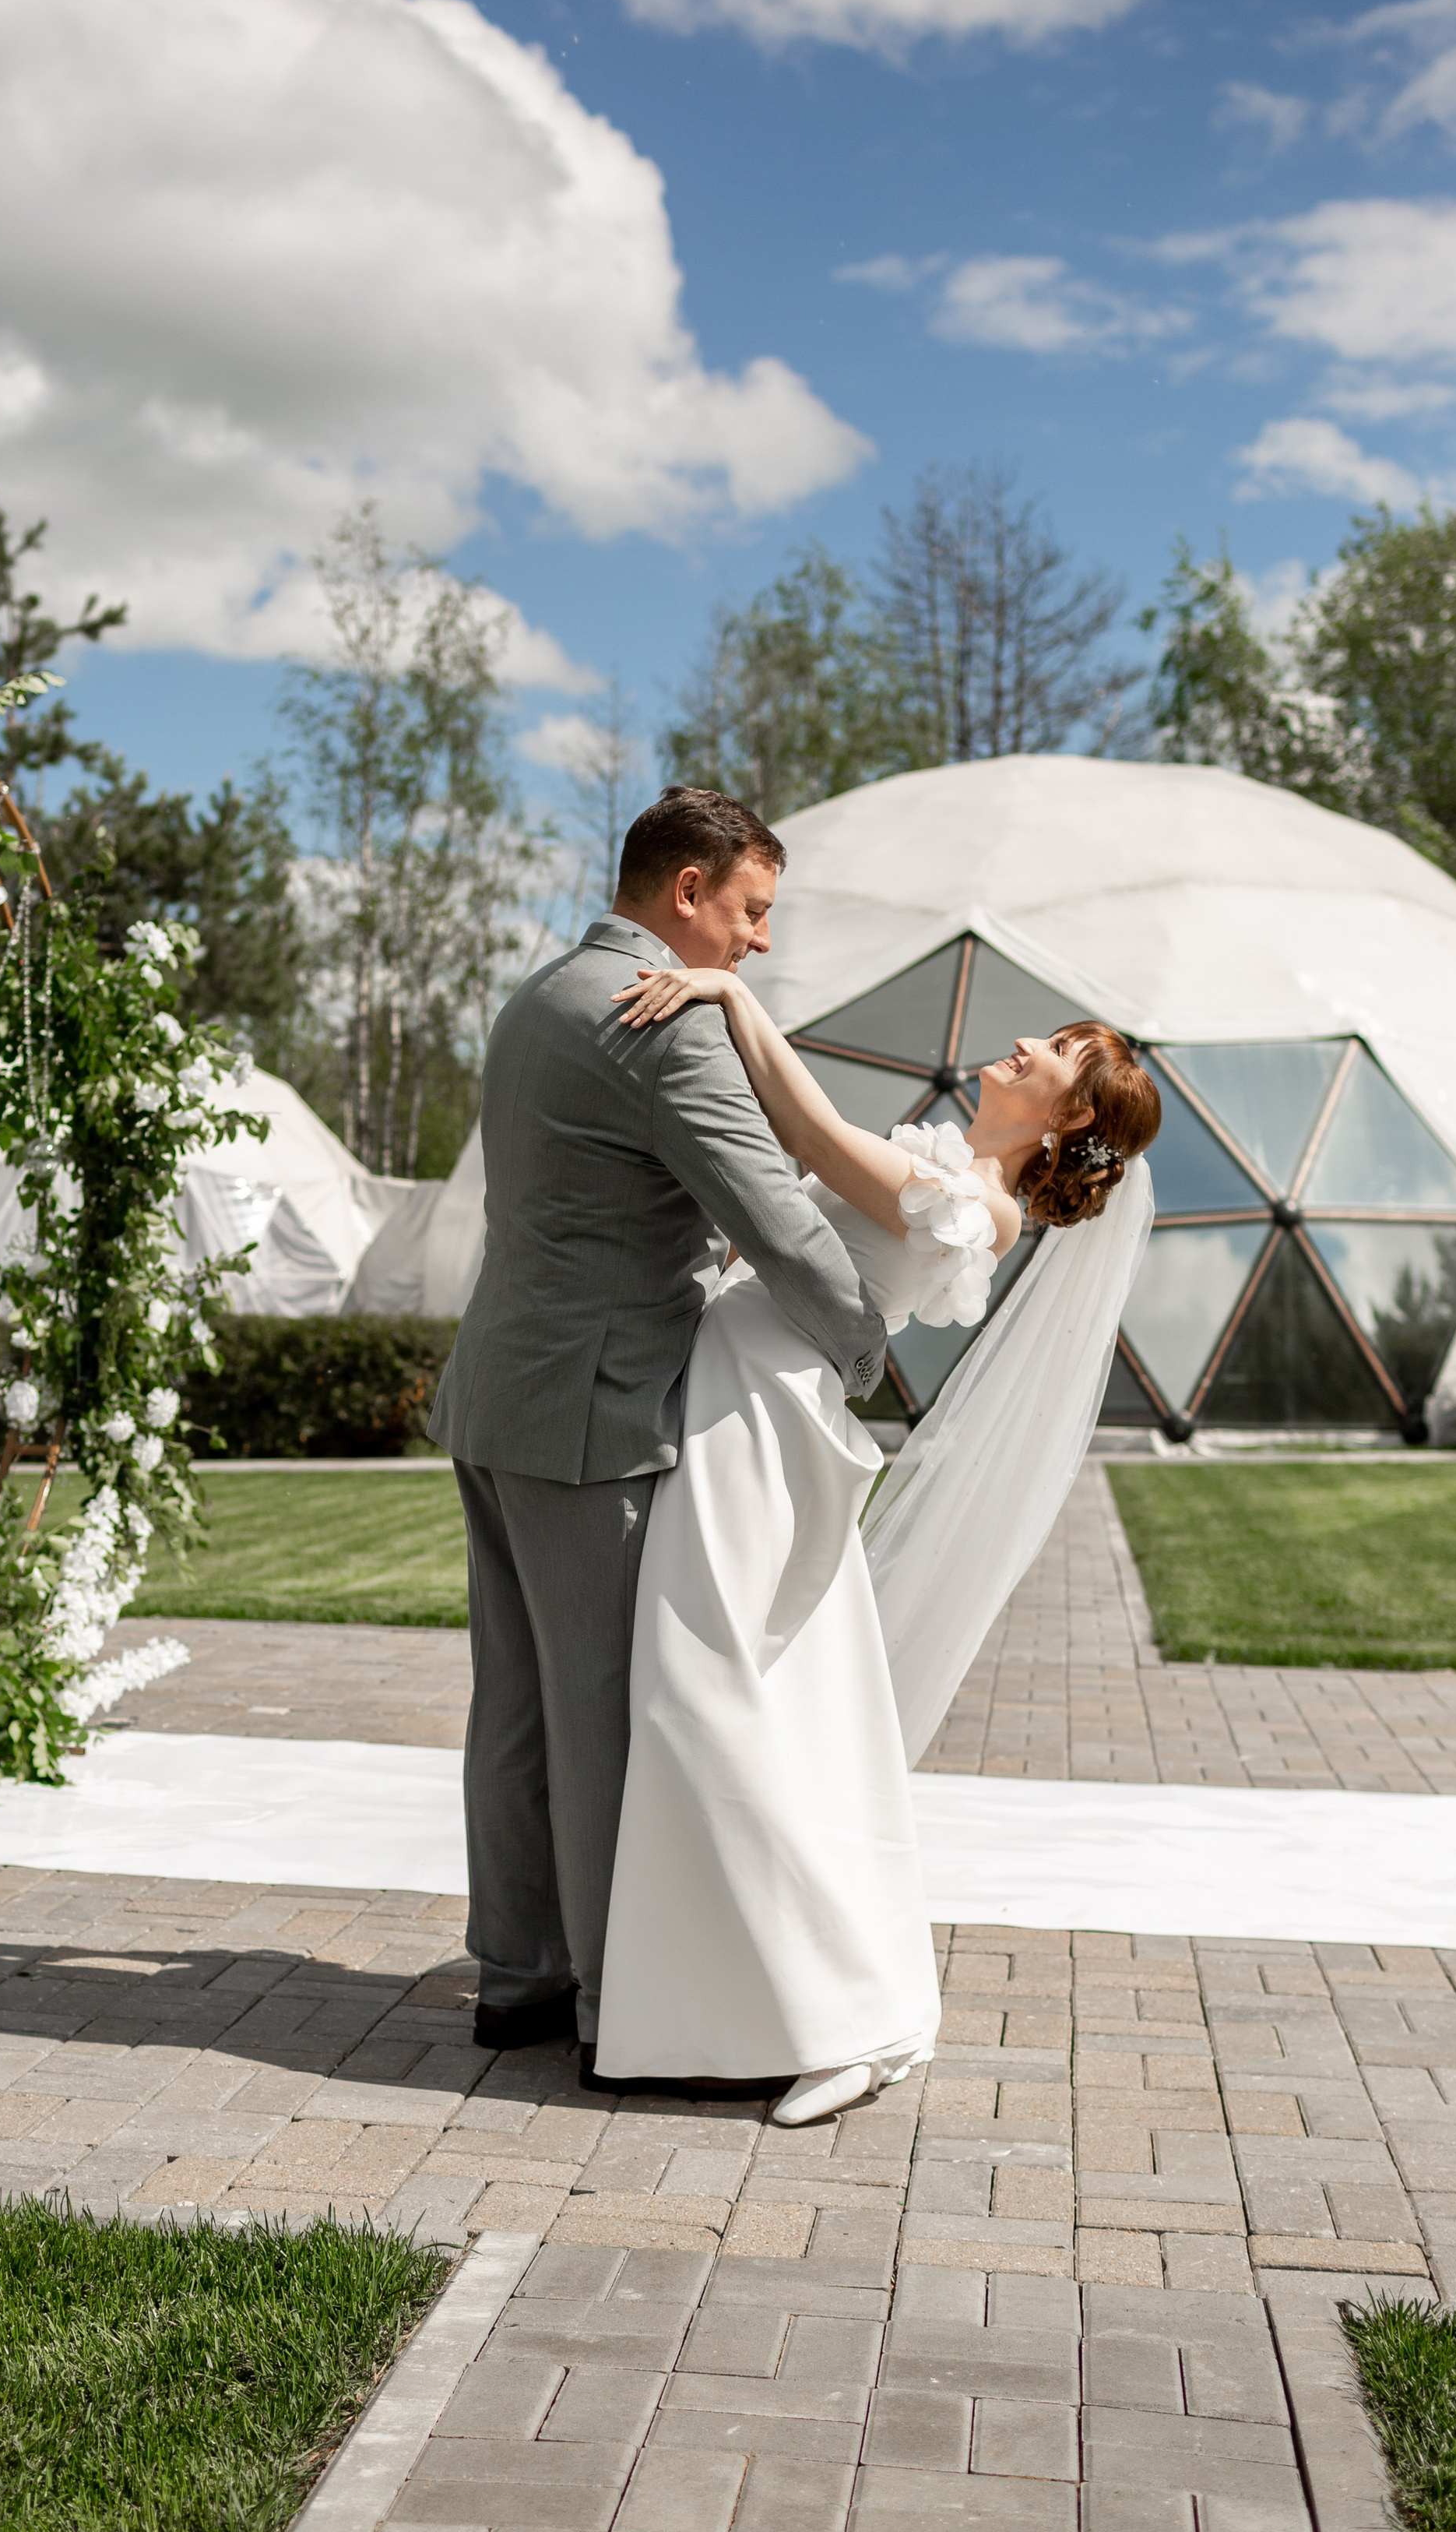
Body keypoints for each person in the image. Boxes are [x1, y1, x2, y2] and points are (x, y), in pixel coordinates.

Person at [595, 963, 1161, 2123]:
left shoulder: (978, 1208)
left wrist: (729, 997)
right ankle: (728, 2010)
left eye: (1054, 1052)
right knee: (721, 1698)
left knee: (707, 1695)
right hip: (735, 1396)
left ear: (1071, 1116)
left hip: (764, 1418)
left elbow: (806, 1133)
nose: (1023, 1043)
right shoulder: (940, 1163)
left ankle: (846, 2021)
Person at [427, 787, 888, 2078]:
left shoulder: (538, 996)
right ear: (688, 892)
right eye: (751, 910)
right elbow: (776, 1216)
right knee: (601, 1716)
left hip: (497, 1394)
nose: (759, 941)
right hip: (593, 1413)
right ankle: (612, 2002)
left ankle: (518, 1974)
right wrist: (868, 1348)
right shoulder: (662, 1025)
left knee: (515, 1704)